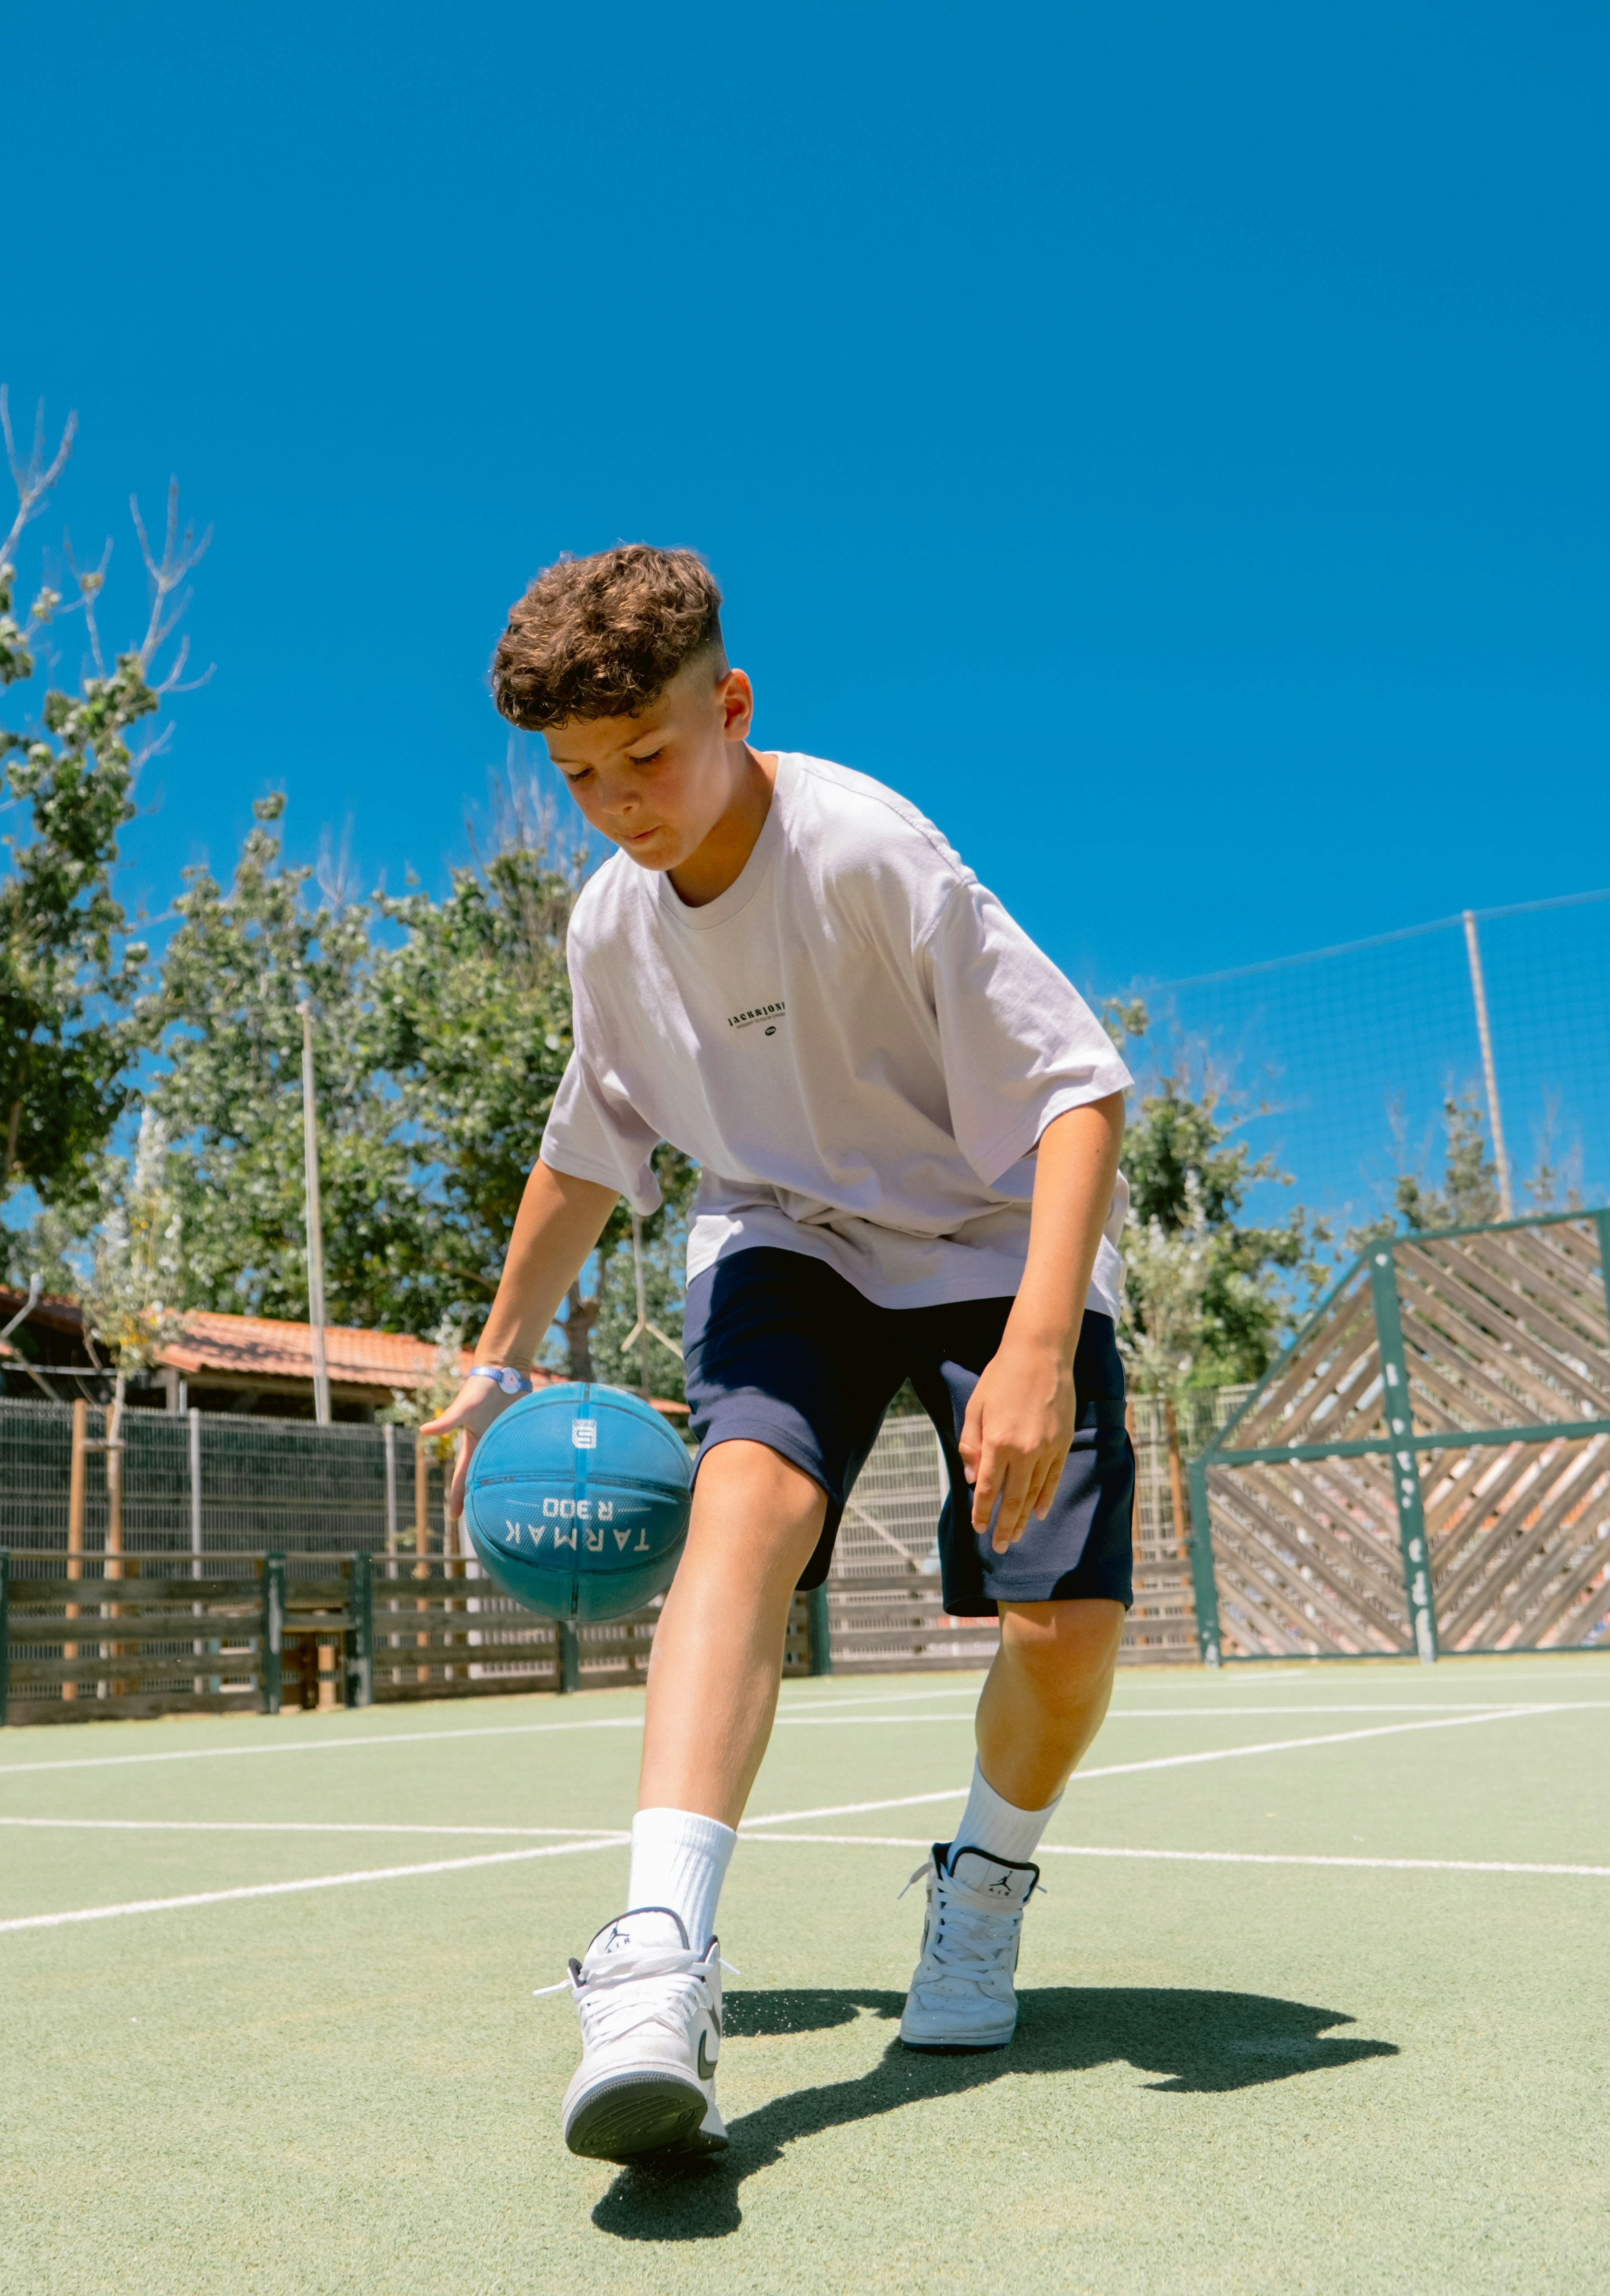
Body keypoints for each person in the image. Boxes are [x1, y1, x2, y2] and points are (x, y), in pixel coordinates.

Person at [421, 545, 1135, 2163]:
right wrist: (496, 1357)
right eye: (578, 775)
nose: (618, 801)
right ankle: (658, 1959)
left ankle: (984, 1888)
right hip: (783, 1236)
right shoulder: (613, 927)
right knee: (741, 1503)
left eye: (648, 756)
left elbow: (1080, 1091)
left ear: (731, 705)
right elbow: (584, 1154)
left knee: (1058, 1625)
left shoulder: (868, 852)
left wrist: (1033, 1351)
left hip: (991, 1235)